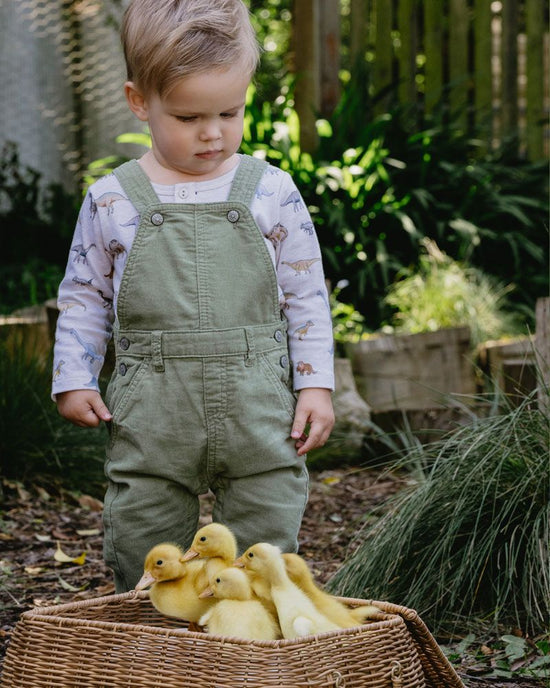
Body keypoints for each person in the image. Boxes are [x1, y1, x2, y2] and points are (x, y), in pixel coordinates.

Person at [52, 0, 335, 592]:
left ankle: (247, 639)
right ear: (139, 102)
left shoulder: (271, 192)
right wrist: (74, 375)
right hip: (154, 409)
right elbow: (84, 294)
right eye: (187, 117)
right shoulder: (114, 199)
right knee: (141, 529)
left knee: (266, 527)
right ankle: (165, 644)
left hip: (258, 404)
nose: (212, 133)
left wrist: (315, 384)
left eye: (229, 112)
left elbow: (306, 294)